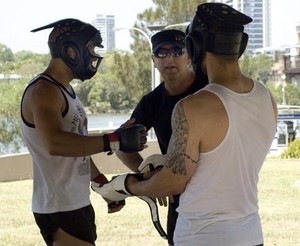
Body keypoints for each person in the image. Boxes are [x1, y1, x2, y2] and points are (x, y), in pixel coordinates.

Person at [102, 3, 278, 246]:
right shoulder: (267, 97)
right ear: (242, 44)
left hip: (201, 236)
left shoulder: (192, 107)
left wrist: (129, 185)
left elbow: (174, 181)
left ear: (192, 48)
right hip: (250, 234)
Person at [20, 18, 146, 246]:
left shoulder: (64, 90)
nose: (94, 56)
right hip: (59, 206)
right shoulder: (43, 91)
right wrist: (115, 141)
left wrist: (100, 183)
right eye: (90, 49)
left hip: (74, 202)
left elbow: (76, 147)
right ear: (71, 50)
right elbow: (56, 143)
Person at [115, 29, 208, 245]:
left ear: (188, 56)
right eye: (161, 53)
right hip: (178, 196)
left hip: (212, 191)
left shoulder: (209, 88)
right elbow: (121, 144)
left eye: (176, 51)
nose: (169, 59)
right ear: (153, 60)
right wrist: (149, 176)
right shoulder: (151, 102)